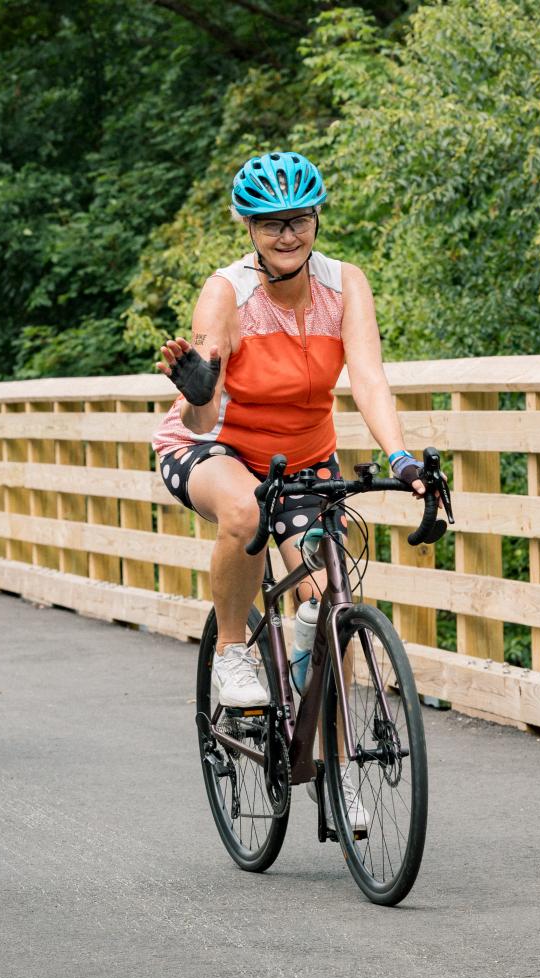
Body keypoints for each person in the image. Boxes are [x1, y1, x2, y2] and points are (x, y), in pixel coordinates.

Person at [153, 152, 427, 826]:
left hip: (302, 458)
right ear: (248, 227)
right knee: (245, 513)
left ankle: (338, 769)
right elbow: (202, 415)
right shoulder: (227, 294)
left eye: (298, 220)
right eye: (271, 223)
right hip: (213, 445)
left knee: (330, 604)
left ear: (316, 219)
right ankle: (232, 653)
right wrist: (197, 391)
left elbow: (368, 376)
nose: (286, 235)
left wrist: (401, 457)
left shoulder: (345, 284)